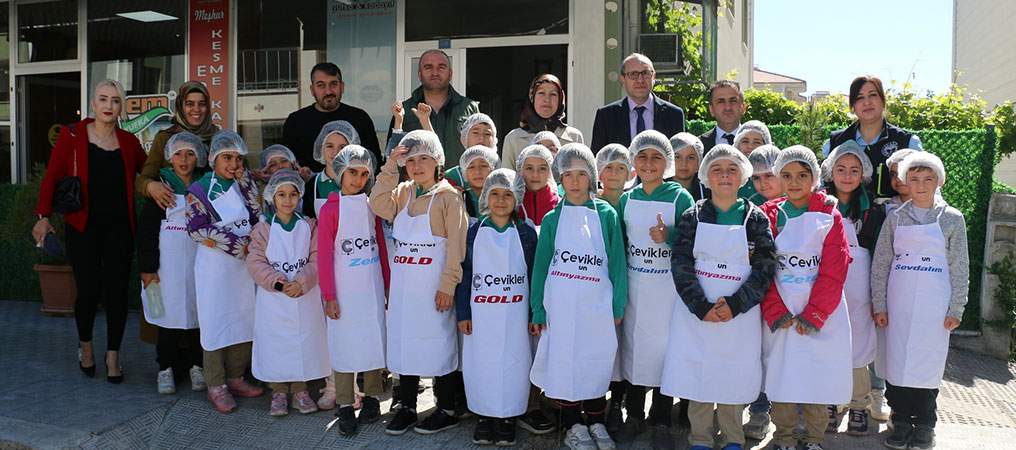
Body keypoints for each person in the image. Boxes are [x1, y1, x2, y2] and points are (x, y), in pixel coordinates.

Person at [32, 79, 147, 383]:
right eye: (103, 99)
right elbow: (51, 178)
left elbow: (147, 174)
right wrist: (43, 216)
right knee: (88, 291)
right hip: (82, 227)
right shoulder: (72, 136)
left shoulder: (129, 142)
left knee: (118, 293)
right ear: (93, 104)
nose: (109, 106)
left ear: (121, 107)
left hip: (121, 229)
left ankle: (113, 356)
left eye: (115, 101)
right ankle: (85, 347)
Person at [663, 144, 777, 450]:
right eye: (717, 169)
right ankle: (699, 437)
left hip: (739, 316)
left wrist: (738, 303)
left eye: (731, 169)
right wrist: (700, 305)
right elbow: (681, 263)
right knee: (697, 373)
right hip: (696, 315)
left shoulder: (755, 219)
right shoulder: (693, 216)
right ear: (706, 175)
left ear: (743, 176)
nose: (724, 175)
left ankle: (732, 438)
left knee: (733, 375)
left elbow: (765, 267)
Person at [369, 130, 469, 436]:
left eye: (424, 158)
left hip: (433, 288)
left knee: (439, 345)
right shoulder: (402, 193)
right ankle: (408, 407)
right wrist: (390, 166)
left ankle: (447, 408)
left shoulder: (449, 197)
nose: (417, 165)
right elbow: (377, 203)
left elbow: (456, 246)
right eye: (410, 160)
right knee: (405, 344)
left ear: (438, 160)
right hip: (404, 288)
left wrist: (448, 285)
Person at [529, 143, 627, 450]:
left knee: (594, 363)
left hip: (597, 306)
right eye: (567, 174)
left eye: (581, 174)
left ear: (591, 177)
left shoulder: (607, 214)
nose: (574, 181)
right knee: (564, 363)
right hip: (559, 308)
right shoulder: (552, 219)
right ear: (559, 177)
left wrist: (618, 303)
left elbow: (618, 262)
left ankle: (596, 421)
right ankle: (573, 425)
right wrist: (538, 310)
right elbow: (542, 266)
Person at [871, 153, 968, 450]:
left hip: (935, 307)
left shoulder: (952, 218)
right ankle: (900, 420)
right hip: (898, 305)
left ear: (939, 181)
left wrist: (956, 307)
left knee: (927, 364)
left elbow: (959, 265)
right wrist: (880, 304)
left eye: (928, 179)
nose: (921, 184)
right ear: (904, 182)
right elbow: (881, 262)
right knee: (896, 363)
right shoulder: (896, 217)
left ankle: (926, 423)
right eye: (913, 178)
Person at [759, 146, 852, 450]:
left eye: (802, 175)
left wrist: (815, 314)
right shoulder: (769, 214)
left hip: (822, 314)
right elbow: (761, 266)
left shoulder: (829, 212)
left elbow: (834, 269)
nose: (794, 181)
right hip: (782, 314)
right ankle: (784, 436)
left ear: (815, 178)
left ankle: (814, 439)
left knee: (817, 377)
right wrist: (775, 309)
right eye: (786, 175)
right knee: (782, 375)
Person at [615, 131, 695, 449]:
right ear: (634, 160)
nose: (649, 163)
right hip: (635, 287)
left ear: (668, 162)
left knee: (665, 353)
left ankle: (661, 420)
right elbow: (620, 245)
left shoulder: (680, 198)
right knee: (634, 352)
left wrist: (670, 236)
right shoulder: (627, 198)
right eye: (643, 156)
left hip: (668, 292)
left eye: (656, 157)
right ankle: (634, 416)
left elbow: (693, 240)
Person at [455, 168, 538, 446]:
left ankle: (507, 418)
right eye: (495, 194)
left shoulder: (526, 234)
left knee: (514, 364)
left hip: (515, 316)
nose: (501, 200)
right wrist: (463, 313)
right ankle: (483, 415)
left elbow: (533, 275)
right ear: (485, 197)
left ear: (517, 199)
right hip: (480, 315)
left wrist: (532, 313)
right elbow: (464, 276)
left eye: (507, 195)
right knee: (481, 364)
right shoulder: (473, 232)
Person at [185, 130, 265, 413]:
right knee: (216, 324)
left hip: (244, 270)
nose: (233, 164)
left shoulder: (243, 186)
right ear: (213, 159)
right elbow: (197, 229)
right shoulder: (198, 190)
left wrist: (247, 184)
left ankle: (236, 377)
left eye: (238, 158)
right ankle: (216, 385)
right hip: (215, 269)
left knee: (243, 319)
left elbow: (258, 216)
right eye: (226, 158)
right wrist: (240, 247)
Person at [319, 145, 390, 434]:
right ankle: (346, 402)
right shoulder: (330, 210)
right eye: (352, 172)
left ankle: (372, 396)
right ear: (340, 173)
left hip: (371, 289)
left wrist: (388, 285)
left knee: (373, 341)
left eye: (364, 173)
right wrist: (329, 296)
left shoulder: (372, 205)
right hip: (344, 293)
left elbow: (381, 247)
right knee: (345, 345)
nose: (358, 179)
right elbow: (324, 255)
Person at [247, 170, 329, 417]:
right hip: (274, 299)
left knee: (304, 343)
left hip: (305, 297)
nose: (287, 199)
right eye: (281, 194)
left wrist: (302, 282)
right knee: (276, 344)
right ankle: (279, 390)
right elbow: (255, 262)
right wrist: (279, 283)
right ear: (272, 196)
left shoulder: (309, 226)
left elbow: (316, 259)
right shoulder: (262, 229)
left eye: (293, 194)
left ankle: (301, 389)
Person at [136, 132, 208, 394]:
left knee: (197, 318)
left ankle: (197, 366)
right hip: (166, 271)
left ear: (198, 157)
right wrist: (148, 268)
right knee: (166, 320)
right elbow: (146, 233)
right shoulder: (161, 189)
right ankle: (164, 369)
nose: (184, 159)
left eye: (190, 153)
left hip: (199, 269)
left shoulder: (204, 188)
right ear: (169, 158)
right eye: (178, 154)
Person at [823, 75, 923, 199]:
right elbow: (823, 188)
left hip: (895, 216)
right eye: (860, 97)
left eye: (873, 95)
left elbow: (926, 185)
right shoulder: (834, 143)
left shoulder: (908, 142)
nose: (867, 102)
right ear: (852, 105)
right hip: (844, 217)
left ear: (883, 100)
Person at [594, 143, 634, 436]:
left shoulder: (635, 203)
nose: (615, 173)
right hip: (598, 287)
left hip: (636, 285)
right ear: (598, 171)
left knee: (626, 348)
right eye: (609, 167)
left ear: (631, 172)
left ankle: (617, 403)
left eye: (622, 167)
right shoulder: (592, 205)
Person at [387, 50, 479, 168]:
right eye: (428, 67)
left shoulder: (469, 108)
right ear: (419, 75)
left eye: (441, 67)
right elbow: (392, 155)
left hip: (460, 184)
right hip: (418, 184)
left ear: (450, 73)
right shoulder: (404, 112)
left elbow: (480, 152)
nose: (435, 73)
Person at [282, 62, 381, 173]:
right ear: (312, 89)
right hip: (310, 189)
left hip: (355, 188)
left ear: (342, 86)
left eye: (333, 84)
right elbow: (287, 164)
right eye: (321, 85)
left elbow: (374, 162)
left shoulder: (359, 118)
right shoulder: (296, 122)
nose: (328, 91)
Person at [137, 81, 218, 211]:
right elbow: (143, 179)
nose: (196, 109)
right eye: (189, 104)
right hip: (173, 214)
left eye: (202, 104)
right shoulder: (165, 138)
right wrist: (150, 186)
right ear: (180, 106)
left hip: (212, 216)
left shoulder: (218, 138)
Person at [591, 53, 686, 151]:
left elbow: (678, 157)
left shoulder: (674, 115)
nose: (640, 80)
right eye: (633, 74)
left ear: (654, 77)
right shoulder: (606, 116)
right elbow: (598, 159)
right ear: (623, 80)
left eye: (645, 73)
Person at [502, 74, 584, 171]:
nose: (547, 99)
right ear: (532, 97)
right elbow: (508, 181)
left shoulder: (574, 137)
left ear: (560, 99)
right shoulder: (513, 139)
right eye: (541, 93)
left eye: (553, 94)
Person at [304, 120, 360, 218]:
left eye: (342, 147)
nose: (336, 152)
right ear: (321, 148)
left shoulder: (360, 181)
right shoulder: (312, 185)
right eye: (329, 146)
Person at [446, 145, 500, 221]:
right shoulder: (459, 200)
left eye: (483, 166)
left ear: (494, 170)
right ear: (465, 173)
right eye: (471, 167)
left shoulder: (503, 199)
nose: (477, 172)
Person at [515, 144, 560, 233]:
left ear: (551, 171)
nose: (535, 174)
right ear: (520, 170)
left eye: (542, 168)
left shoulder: (559, 206)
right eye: (529, 168)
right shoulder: (512, 205)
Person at [258, 144, 310, 218]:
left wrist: (309, 176)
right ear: (267, 171)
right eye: (272, 164)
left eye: (284, 161)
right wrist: (253, 179)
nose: (280, 166)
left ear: (293, 164)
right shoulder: (262, 195)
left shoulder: (310, 187)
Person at [699, 80, 747, 154]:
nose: (727, 107)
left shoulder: (757, 144)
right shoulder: (699, 146)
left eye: (733, 101)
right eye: (720, 101)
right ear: (711, 110)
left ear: (743, 107)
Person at [732, 120, 772, 199]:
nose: (750, 146)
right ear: (737, 145)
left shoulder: (775, 176)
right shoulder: (729, 174)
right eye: (745, 141)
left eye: (757, 142)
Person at [669, 132, 709, 201]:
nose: (684, 163)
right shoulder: (657, 191)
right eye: (677, 157)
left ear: (699, 163)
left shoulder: (708, 194)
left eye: (690, 158)